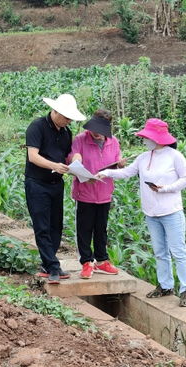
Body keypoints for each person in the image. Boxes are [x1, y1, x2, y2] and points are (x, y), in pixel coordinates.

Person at [98, 118, 186, 307]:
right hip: (151, 212)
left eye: (147, 137)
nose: (145, 141)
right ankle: (165, 286)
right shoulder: (143, 157)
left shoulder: (175, 156)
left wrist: (165, 188)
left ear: (158, 138)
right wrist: (107, 173)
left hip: (171, 211)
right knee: (160, 252)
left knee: (178, 251)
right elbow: (126, 173)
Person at [25, 94, 86, 284]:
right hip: (37, 183)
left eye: (70, 118)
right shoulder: (37, 127)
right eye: (66, 117)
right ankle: (52, 265)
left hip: (56, 184)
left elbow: (67, 154)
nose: (68, 121)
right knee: (42, 225)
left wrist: (75, 159)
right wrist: (54, 165)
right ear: (56, 111)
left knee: (56, 225)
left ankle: (48, 264)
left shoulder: (65, 132)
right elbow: (33, 156)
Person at [69, 109, 126, 279]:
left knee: (101, 229)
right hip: (85, 192)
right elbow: (73, 158)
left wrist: (120, 164)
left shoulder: (113, 141)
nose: (97, 134)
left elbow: (116, 161)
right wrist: (76, 160)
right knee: (84, 228)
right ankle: (87, 262)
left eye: (101, 131)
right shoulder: (80, 139)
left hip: (104, 192)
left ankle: (102, 261)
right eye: (95, 129)